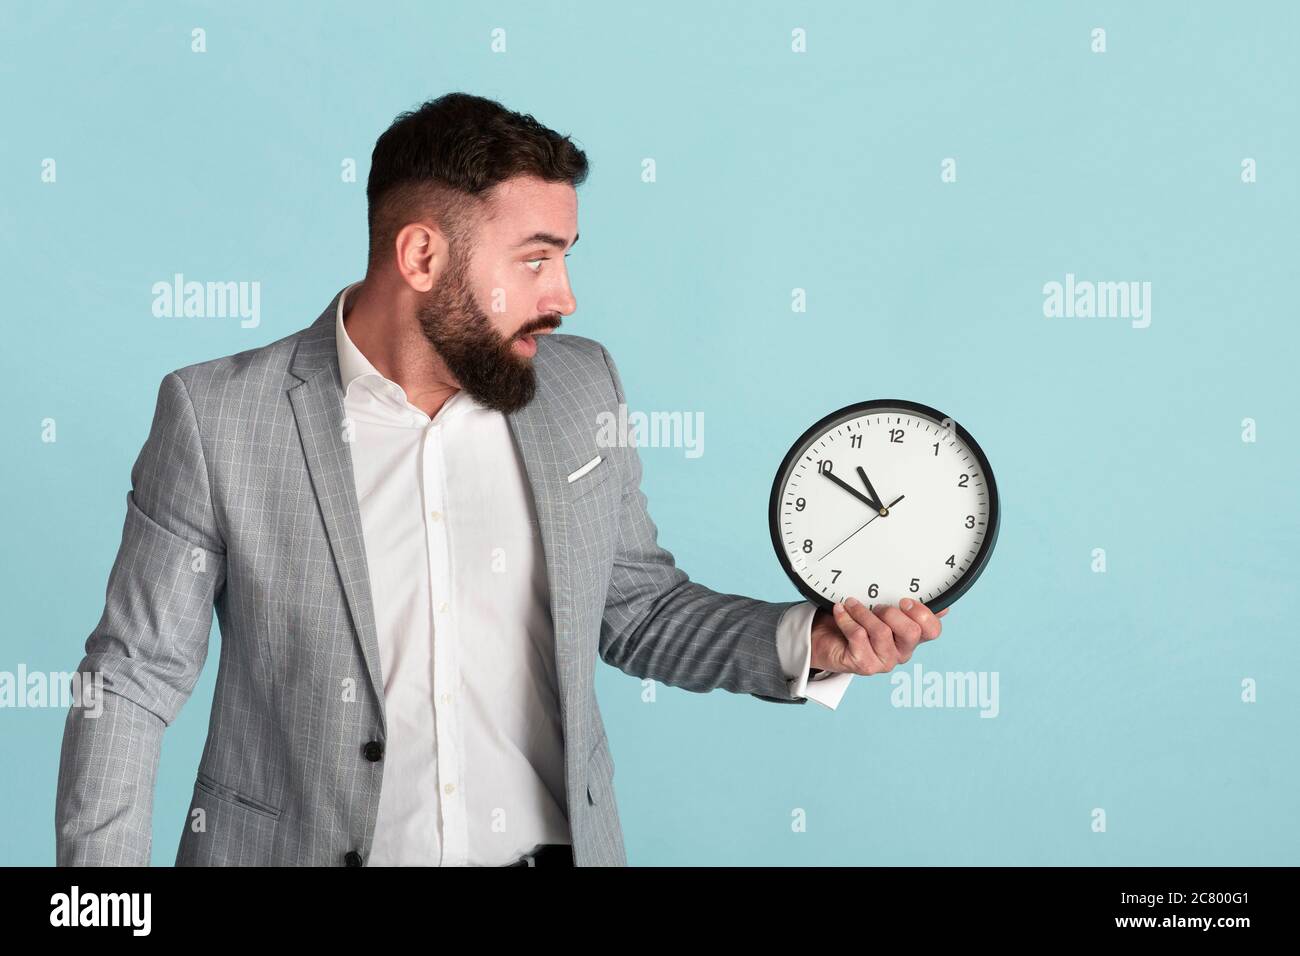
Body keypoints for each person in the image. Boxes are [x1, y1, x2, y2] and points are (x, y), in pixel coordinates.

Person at [55, 92, 946, 868]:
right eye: (534, 258)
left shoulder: (579, 388)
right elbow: (131, 681)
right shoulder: (218, 416)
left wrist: (812, 643)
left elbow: (637, 609)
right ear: (421, 258)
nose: (563, 295)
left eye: (565, 255)